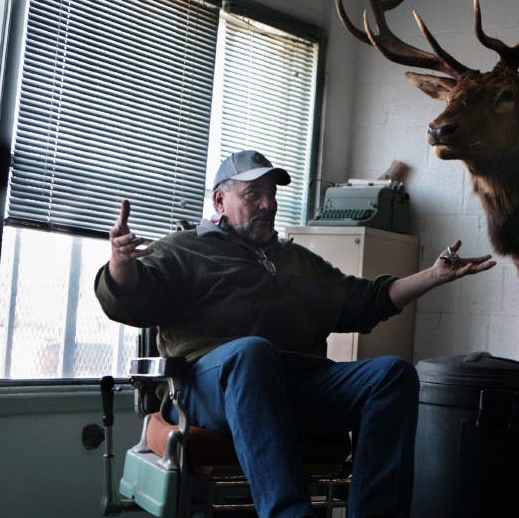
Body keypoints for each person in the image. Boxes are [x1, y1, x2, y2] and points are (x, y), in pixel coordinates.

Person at [95, 149, 496, 518]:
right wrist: (121, 265)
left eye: (271, 194)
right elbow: (128, 301)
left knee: (392, 375)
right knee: (252, 353)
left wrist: (432, 276)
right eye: (253, 194)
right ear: (219, 201)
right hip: (210, 385)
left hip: (295, 383)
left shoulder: (296, 260)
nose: (268, 204)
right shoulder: (183, 249)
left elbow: (365, 301)